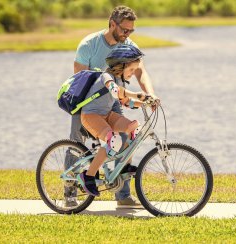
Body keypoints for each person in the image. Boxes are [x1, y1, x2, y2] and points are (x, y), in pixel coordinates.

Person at [65, 5, 158, 208]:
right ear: (112, 24)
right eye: (124, 30)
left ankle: (122, 194)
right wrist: (130, 94)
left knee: (129, 134)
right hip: (85, 102)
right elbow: (78, 80)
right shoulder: (90, 44)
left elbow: (141, 72)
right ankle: (71, 191)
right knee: (76, 144)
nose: (127, 34)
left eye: (131, 31)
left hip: (111, 103)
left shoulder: (128, 45)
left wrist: (149, 95)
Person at [77, 44, 148, 197]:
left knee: (133, 127)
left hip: (106, 114)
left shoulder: (120, 81)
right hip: (91, 115)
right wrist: (137, 95)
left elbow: (125, 101)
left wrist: (145, 102)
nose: (133, 73)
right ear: (119, 66)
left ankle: (123, 167)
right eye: (131, 70)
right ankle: (88, 175)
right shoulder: (106, 77)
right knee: (114, 140)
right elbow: (116, 92)